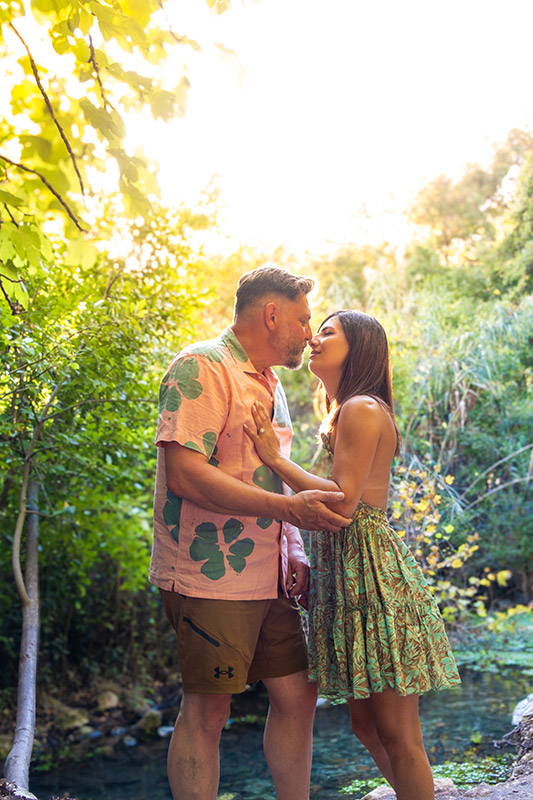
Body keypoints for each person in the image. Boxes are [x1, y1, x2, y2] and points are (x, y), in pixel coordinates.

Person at [150, 266, 352, 800]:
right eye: (305, 320)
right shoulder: (200, 367)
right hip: (208, 577)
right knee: (209, 709)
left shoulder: (270, 381)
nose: (310, 333)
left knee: (297, 696)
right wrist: (292, 515)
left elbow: (275, 480)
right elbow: (186, 474)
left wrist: (295, 549)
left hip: (272, 578)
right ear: (271, 314)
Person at [244, 309, 461, 800]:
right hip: (349, 573)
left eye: (327, 332)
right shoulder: (346, 408)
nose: (313, 338)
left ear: (358, 346)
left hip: (373, 576)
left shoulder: (362, 407)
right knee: (367, 724)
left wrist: (274, 459)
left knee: (399, 734)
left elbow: (343, 502)